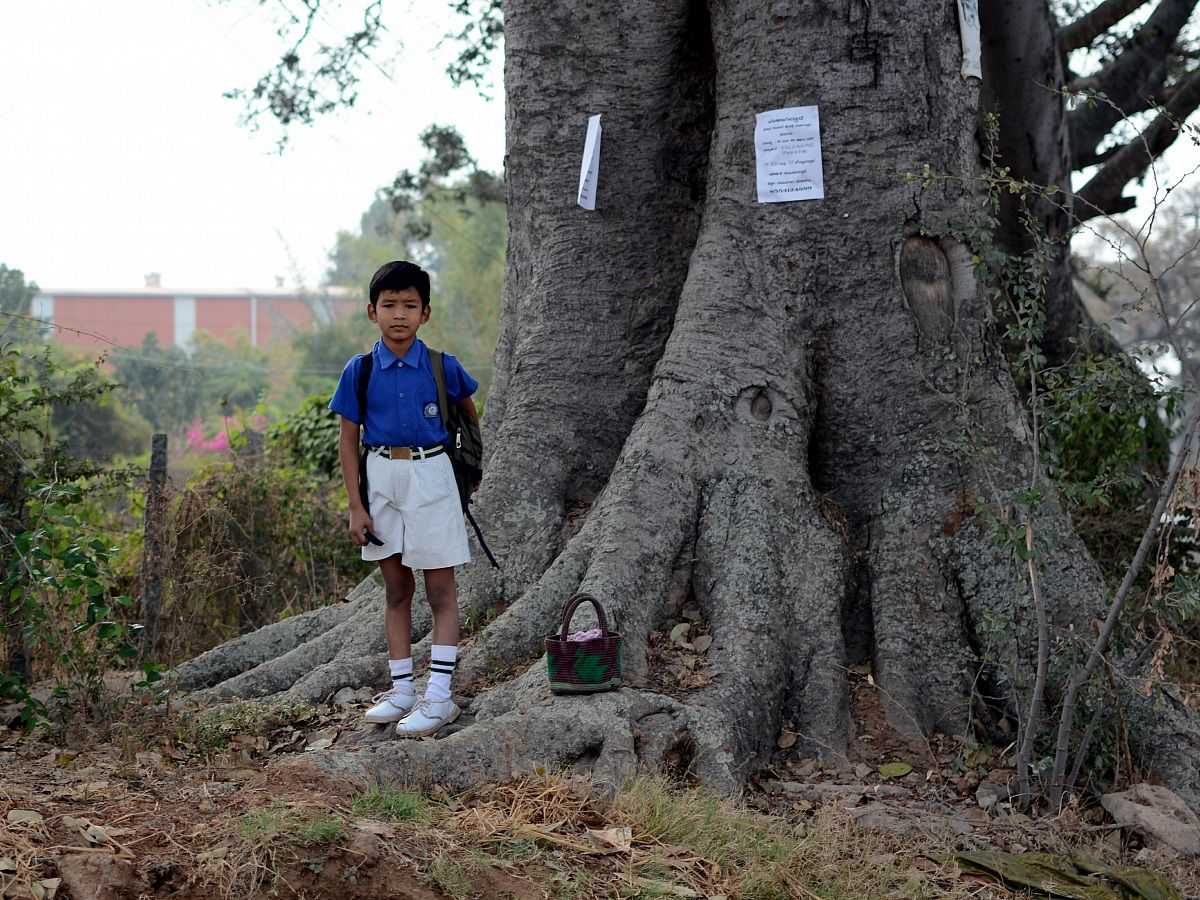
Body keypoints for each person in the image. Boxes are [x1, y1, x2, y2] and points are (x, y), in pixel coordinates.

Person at [329, 260, 479, 737]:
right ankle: (402, 692)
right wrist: (356, 505)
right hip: (379, 477)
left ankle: (439, 698)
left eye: (409, 305)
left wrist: (466, 472)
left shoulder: (442, 366)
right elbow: (347, 441)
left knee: (440, 590)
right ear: (372, 312)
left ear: (425, 313)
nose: (400, 314)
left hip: (431, 475)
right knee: (396, 590)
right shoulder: (361, 370)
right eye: (389, 305)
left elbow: (469, 419)